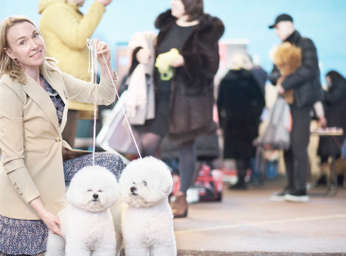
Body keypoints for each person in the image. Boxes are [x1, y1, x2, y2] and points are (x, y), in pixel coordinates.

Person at [0, 16, 124, 256]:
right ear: (10, 53)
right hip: (27, 187)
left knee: (112, 164)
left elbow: (104, 96)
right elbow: (13, 161)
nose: (34, 44)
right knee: (49, 252)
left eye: (35, 35)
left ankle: (107, 235)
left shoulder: (52, 73)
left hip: (56, 167)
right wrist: (43, 213)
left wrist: (105, 65)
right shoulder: (9, 89)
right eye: (22, 42)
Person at [132, 0, 224, 218]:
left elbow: (211, 65)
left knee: (185, 146)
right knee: (147, 144)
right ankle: (150, 191)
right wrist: (139, 53)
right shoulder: (167, 25)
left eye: (176, 1)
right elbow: (152, 49)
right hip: (159, 95)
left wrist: (184, 60)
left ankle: (181, 196)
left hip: (188, 100)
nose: (171, 4)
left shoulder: (206, 30)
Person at [38, 0, 112, 147]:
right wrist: (98, 5)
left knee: (65, 151)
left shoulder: (67, 11)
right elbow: (78, 38)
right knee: (61, 152)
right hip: (62, 95)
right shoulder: (56, 10)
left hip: (68, 94)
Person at [269, 13, 322, 202]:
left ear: (288, 25)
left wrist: (286, 83)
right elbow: (273, 74)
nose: (276, 32)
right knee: (287, 145)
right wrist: (276, 78)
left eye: (277, 27)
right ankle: (291, 186)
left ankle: (300, 189)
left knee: (299, 145)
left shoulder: (306, 43)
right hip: (286, 104)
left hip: (301, 102)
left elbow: (310, 69)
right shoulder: (280, 49)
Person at [217, 53, 265, 190]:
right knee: (247, 150)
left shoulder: (226, 79)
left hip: (232, 121)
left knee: (236, 150)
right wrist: (256, 115)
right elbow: (261, 99)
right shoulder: (250, 78)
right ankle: (245, 178)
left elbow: (220, 103)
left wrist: (221, 122)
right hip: (249, 121)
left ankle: (240, 179)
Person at [316, 70, 346, 187]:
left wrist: (320, 91)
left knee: (336, 153)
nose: (327, 82)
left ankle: (338, 178)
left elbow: (331, 99)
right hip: (333, 124)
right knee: (328, 153)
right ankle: (328, 178)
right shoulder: (340, 86)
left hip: (337, 124)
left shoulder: (341, 87)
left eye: (328, 79)